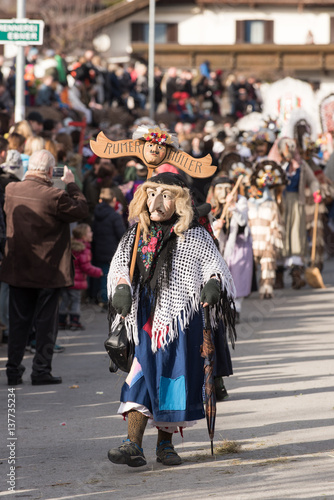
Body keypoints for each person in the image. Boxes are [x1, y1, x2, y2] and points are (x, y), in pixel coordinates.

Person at [106, 170, 236, 468]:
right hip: (145, 317)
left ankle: (165, 445)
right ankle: (132, 444)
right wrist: (122, 286)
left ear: (179, 202)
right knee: (140, 373)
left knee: (172, 379)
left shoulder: (194, 235)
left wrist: (213, 283)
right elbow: (118, 266)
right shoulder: (135, 232)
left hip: (181, 320)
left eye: (165, 195)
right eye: (152, 194)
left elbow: (213, 265)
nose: (157, 202)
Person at [0, 149, 89, 385]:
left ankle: (13, 371)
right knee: (45, 324)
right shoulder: (55, 196)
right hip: (49, 271)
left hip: (19, 268)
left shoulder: (11, 190)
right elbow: (81, 210)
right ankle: (40, 371)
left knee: (18, 323)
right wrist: (71, 184)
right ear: (51, 171)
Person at [209, 176, 253, 322]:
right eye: (219, 189)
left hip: (238, 245)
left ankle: (236, 309)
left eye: (227, 188)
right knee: (222, 277)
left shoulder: (241, 201)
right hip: (221, 247)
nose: (223, 192)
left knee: (238, 276)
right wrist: (216, 227)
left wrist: (233, 206)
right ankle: (223, 308)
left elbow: (243, 221)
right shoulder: (212, 205)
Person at [59, 224, 103, 330]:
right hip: (76, 281)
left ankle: (61, 321)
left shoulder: (70, 246)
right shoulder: (83, 249)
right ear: (84, 236)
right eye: (89, 231)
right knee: (75, 301)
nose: (92, 233)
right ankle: (74, 322)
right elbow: (86, 267)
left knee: (65, 300)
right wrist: (98, 272)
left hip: (65, 279)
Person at [92, 188, 126, 308]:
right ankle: (106, 299)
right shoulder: (114, 216)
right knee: (108, 274)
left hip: (98, 248)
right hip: (111, 250)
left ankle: (98, 297)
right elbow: (121, 234)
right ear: (114, 200)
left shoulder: (96, 214)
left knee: (99, 273)